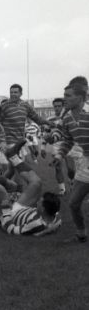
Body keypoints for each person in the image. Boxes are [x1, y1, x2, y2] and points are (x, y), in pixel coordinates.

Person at [0, 140, 62, 236]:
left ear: (43, 209)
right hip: (26, 208)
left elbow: (11, 230)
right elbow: (56, 222)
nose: (38, 201)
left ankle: (12, 157)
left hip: (14, 212)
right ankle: (13, 157)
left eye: (40, 202)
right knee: (37, 183)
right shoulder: (54, 216)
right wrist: (46, 230)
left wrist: (5, 210)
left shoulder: (36, 224)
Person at [53, 81, 89, 243]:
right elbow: (67, 141)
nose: (64, 98)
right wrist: (59, 156)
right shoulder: (67, 118)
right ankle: (81, 234)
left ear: (80, 97)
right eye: (64, 95)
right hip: (85, 164)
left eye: (68, 95)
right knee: (74, 203)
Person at [0, 84, 53, 177]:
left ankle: (5, 183)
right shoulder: (5, 106)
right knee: (14, 168)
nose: (13, 94)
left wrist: (48, 122)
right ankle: (11, 184)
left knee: (14, 171)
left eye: (15, 92)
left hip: (19, 142)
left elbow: (37, 118)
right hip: (7, 141)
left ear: (21, 93)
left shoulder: (25, 105)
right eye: (11, 92)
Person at [41, 98, 75, 195]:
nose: (57, 108)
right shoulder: (49, 119)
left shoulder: (69, 117)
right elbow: (46, 134)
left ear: (63, 106)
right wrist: (43, 148)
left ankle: (71, 181)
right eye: (55, 106)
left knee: (71, 169)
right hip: (56, 146)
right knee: (58, 168)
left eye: (59, 106)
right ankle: (62, 190)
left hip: (68, 145)